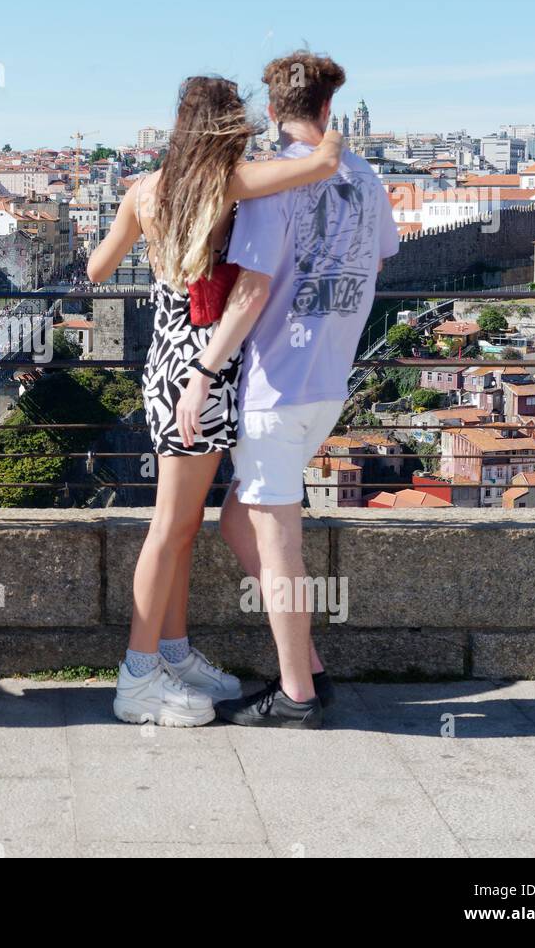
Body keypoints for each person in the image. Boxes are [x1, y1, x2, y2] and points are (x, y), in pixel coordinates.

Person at [88, 75, 343, 727]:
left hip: (166, 360)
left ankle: (171, 654)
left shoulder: (145, 191)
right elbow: (321, 162)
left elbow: (95, 270)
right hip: (202, 369)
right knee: (169, 527)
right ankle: (137, 678)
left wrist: (152, 243)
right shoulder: (226, 185)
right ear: (225, 127)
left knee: (182, 530)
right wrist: (330, 116)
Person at [178, 51, 399, 728]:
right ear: (329, 109)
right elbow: (379, 257)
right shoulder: (365, 179)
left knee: (278, 550)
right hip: (330, 382)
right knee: (239, 521)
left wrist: (203, 374)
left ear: (272, 110)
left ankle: (297, 694)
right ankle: (313, 665)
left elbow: (250, 290)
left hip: (277, 387)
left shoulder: (271, 182)